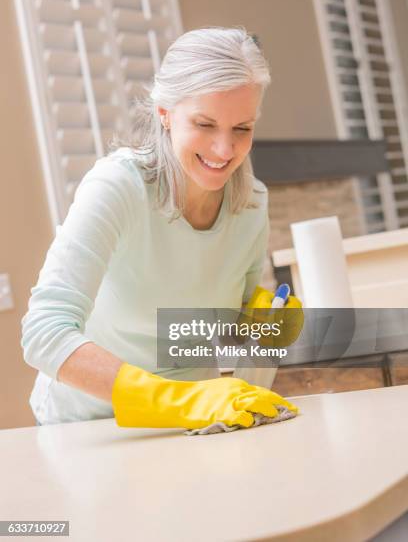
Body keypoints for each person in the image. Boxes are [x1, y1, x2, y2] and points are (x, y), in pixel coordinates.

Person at [21, 26, 299, 429]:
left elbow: (230, 336)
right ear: (165, 114)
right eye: (205, 124)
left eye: (243, 128)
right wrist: (173, 399)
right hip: (86, 428)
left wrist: (263, 331)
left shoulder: (251, 204)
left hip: (191, 429)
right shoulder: (119, 187)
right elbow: (44, 333)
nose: (225, 150)